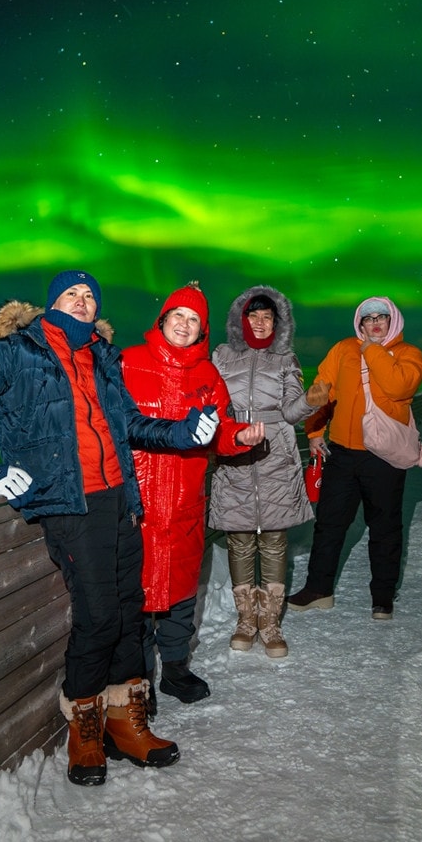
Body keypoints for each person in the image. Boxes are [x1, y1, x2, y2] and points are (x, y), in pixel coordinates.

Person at [0, 269, 220, 787]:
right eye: (74, 293)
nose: (85, 301)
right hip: (69, 503)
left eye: (92, 295)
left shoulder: (102, 356)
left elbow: (131, 425)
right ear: (51, 304)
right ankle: (85, 728)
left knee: (129, 611)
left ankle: (125, 721)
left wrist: (183, 432)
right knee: (97, 616)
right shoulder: (16, 351)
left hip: (118, 499)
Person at [121, 283, 266, 705]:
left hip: (185, 501)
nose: (184, 325)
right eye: (178, 316)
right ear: (162, 320)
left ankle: (177, 669)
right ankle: (139, 678)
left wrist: (241, 435)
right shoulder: (128, 362)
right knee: (138, 593)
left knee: (182, 592)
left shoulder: (207, 375)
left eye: (194, 320)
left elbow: (218, 431)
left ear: (202, 330)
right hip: (139, 504)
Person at [287, 293, 422, 620]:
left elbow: (397, 387)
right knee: (329, 524)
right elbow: (323, 390)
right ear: (359, 323)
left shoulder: (409, 354)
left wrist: (372, 349)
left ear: (392, 321)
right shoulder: (342, 349)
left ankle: (382, 596)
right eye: (368, 318)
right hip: (344, 454)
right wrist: (315, 431)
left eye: (381, 317)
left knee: (385, 527)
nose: (375, 323)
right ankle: (319, 589)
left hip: (384, 457)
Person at [209, 286, 317, 659]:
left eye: (267, 317)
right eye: (253, 316)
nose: (259, 323)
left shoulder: (286, 359)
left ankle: (269, 624)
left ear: (277, 322)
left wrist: (310, 401)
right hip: (235, 452)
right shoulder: (222, 356)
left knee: (273, 538)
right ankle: (245, 620)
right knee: (239, 538)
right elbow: (211, 400)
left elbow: (290, 412)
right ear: (242, 320)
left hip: (276, 456)